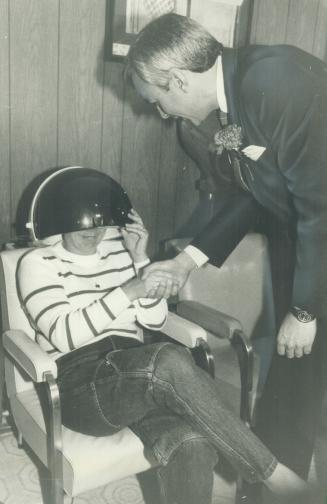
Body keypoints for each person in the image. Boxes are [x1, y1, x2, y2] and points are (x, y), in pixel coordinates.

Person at [18, 166, 310, 504]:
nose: (95, 233)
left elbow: (154, 320)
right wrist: (130, 289)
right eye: (84, 224)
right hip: (80, 386)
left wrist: (141, 261)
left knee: (191, 443)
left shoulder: (120, 249)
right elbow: (65, 335)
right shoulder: (38, 262)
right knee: (168, 359)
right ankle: (271, 473)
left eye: (102, 223)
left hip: (137, 376)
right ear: (59, 219)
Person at [125, 12, 327, 485]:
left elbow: (321, 207)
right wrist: (184, 260)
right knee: (293, 371)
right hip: (302, 238)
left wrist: (303, 310)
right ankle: (279, 483)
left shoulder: (276, 80)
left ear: (176, 80)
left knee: (301, 358)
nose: (162, 114)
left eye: (157, 102)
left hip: (319, 232)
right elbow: (247, 194)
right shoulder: (229, 99)